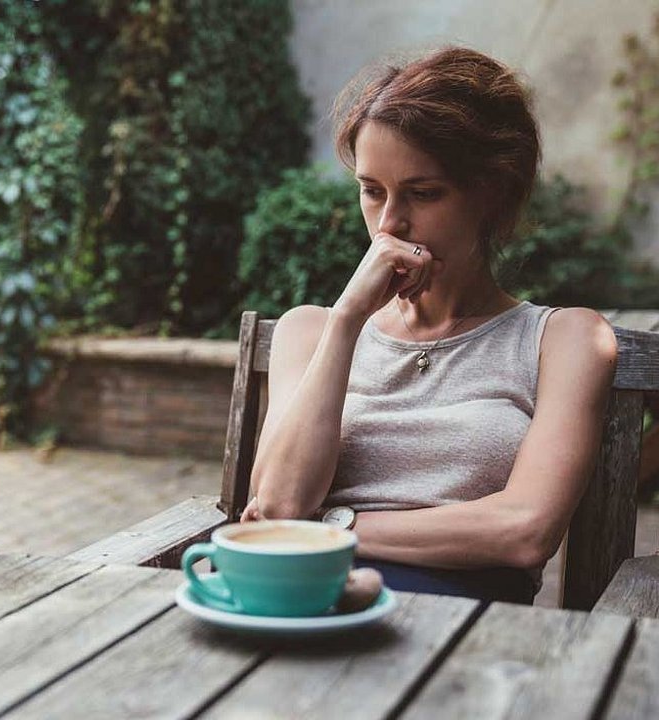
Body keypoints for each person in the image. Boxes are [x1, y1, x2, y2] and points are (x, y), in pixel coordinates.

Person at [240, 46, 618, 604]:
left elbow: (524, 531)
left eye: (423, 193)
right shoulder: (313, 332)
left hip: (458, 629)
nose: (390, 223)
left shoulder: (565, 340)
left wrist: (335, 525)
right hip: (304, 601)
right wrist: (346, 322)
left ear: (492, 193)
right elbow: (277, 507)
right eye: (373, 191)